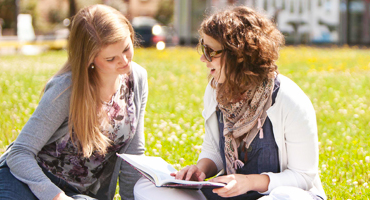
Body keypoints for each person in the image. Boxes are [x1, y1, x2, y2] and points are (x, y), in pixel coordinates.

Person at [134, 6, 326, 200]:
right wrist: (200, 170)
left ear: (239, 55)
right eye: (203, 48)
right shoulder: (215, 90)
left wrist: (249, 182)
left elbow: (303, 177)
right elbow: (212, 149)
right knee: (146, 186)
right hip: (231, 195)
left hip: (279, 194)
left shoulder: (288, 99)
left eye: (211, 51)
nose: (203, 58)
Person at [0, 4, 148, 200]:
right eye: (111, 58)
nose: (124, 61)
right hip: (23, 182)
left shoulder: (136, 80)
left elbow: (133, 157)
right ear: (89, 59)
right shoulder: (66, 88)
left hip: (77, 194)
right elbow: (19, 154)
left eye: (127, 49)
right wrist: (56, 197)